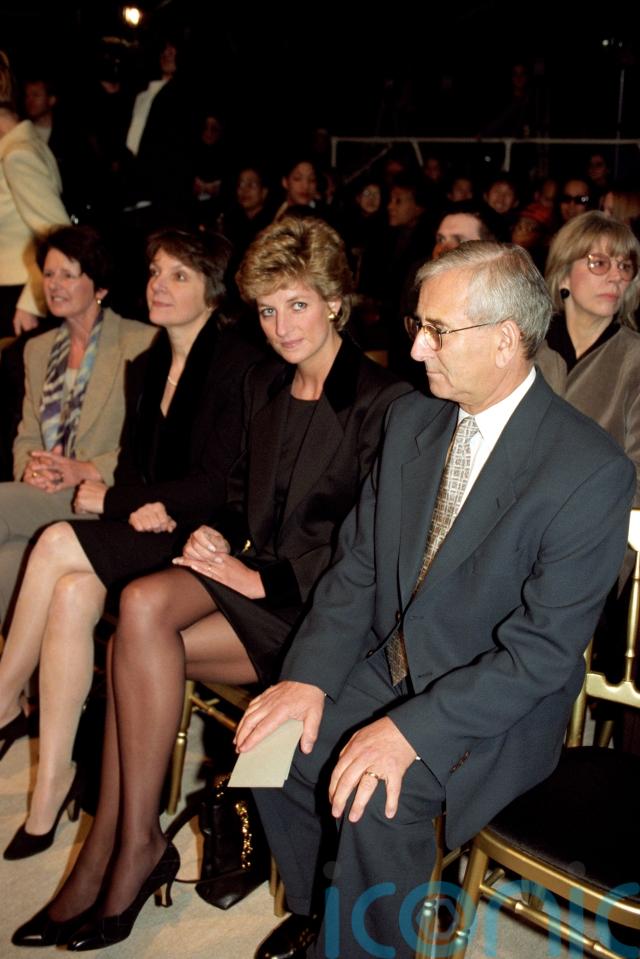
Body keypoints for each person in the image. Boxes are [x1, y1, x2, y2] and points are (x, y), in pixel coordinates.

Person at [12, 216, 411, 949]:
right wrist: (216, 535)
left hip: (322, 608)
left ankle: (121, 850)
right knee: (138, 611)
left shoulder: (385, 403)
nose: (281, 326)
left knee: (133, 644)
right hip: (249, 575)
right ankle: (125, 840)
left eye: (297, 304)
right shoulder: (264, 383)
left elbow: (376, 545)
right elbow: (234, 493)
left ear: (334, 301)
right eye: (267, 309)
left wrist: (265, 580)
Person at [234, 242, 635, 959]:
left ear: (505, 340)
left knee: (374, 793)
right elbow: (357, 570)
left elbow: (540, 656)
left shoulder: (587, 469)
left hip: (495, 706)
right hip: (391, 664)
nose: (416, 347)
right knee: (271, 744)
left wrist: (413, 730)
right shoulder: (411, 421)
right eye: (417, 325)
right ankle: (324, 911)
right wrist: (308, 677)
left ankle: (366, 943)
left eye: (437, 331)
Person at [0, 227, 262, 859]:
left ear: (212, 291)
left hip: (205, 539)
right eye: (155, 272)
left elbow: (217, 483)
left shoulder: (235, 363)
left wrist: (116, 502)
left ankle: (3, 700)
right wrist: (133, 502)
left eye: (178, 275)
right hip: (150, 526)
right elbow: (134, 469)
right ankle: (51, 784)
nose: (158, 286)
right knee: (70, 592)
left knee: (58, 539)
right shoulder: (146, 366)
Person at [0, 224, 154, 627]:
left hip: (104, 498)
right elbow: (27, 434)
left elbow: (151, 444)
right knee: (9, 562)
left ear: (99, 285)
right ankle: (17, 673)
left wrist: (86, 469)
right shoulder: (36, 350)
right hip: (44, 493)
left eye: (68, 275)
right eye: (49, 274)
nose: (54, 285)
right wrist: (30, 468)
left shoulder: (142, 342)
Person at [536, 211, 640, 501]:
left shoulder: (634, 359)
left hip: (601, 518)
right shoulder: (527, 349)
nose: (616, 276)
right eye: (599, 263)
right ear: (564, 275)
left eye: (625, 266)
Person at [0, 50, 69, 336]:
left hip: (16, 299)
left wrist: (31, 302)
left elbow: (59, 232)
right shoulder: (23, 145)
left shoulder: (18, 155)